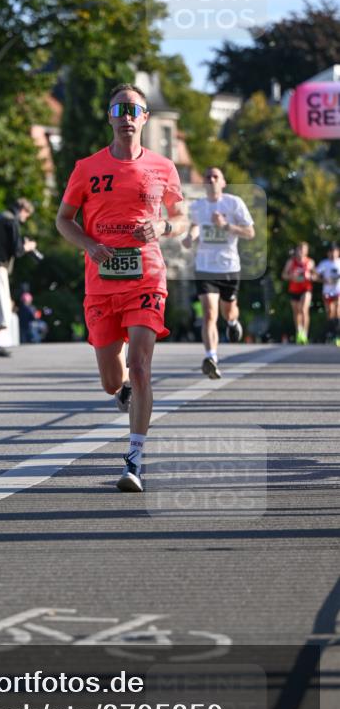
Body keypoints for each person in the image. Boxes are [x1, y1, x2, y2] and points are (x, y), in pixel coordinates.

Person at [56, 82, 187, 492]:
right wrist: (89, 244)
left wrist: (164, 225)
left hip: (147, 276)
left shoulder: (164, 168)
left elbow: (181, 219)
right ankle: (124, 389)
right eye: (118, 110)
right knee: (113, 380)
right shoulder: (86, 168)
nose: (126, 117)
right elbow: (64, 219)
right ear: (109, 118)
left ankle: (134, 459)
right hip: (101, 284)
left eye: (134, 110)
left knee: (142, 365)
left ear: (145, 118)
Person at [182, 167, 255, 379]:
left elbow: (250, 232)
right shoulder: (197, 206)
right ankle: (211, 356)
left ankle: (232, 323)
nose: (212, 180)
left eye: (216, 177)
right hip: (205, 267)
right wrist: (190, 237)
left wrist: (226, 226)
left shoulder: (234, 203)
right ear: (204, 183)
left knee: (228, 311)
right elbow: (196, 226)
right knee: (209, 313)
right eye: (208, 177)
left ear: (223, 182)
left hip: (229, 267)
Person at [0, 197, 38, 357]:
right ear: (22, 210)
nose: (24, 219)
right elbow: (17, 250)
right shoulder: (11, 221)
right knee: (0, 306)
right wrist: (29, 246)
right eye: (26, 215)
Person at [281, 242, 315, 344]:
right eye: (299, 249)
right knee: (296, 312)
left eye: (303, 249)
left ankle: (305, 333)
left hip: (306, 288)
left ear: (306, 251)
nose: (301, 251)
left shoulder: (310, 262)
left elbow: (316, 276)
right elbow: (283, 275)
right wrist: (292, 277)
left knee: (304, 309)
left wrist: (310, 276)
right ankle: (299, 331)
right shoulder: (291, 262)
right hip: (294, 289)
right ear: (296, 250)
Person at [314, 242, 340, 345]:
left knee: (338, 310)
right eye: (331, 252)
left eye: (334, 252)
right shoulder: (324, 263)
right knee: (330, 312)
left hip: (338, 290)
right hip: (327, 291)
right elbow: (314, 276)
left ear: (338, 252)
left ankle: (338, 335)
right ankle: (332, 334)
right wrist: (324, 280)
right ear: (328, 253)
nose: (333, 254)